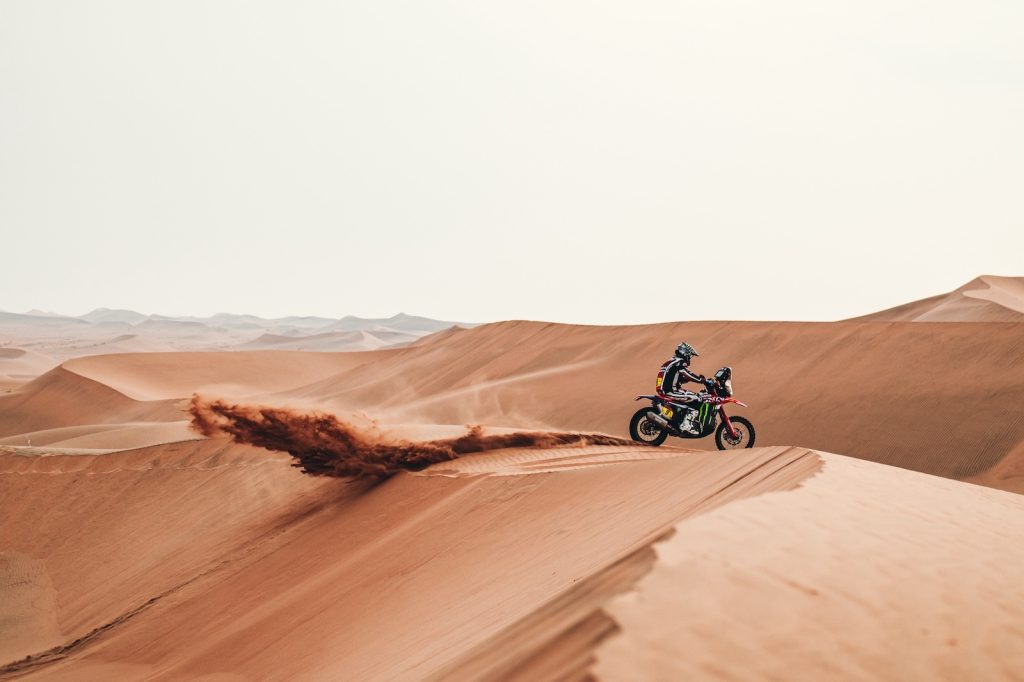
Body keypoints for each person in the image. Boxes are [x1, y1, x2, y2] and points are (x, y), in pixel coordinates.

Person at [656, 341, 710, 435]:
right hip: (671, 391)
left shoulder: (672, 361)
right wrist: (701, 380)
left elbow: (674, 378)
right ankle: (686, 425)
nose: (690, 358)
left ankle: (679, 419)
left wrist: (686, 379)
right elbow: (688, 374)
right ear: (685, 353)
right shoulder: (680, 362)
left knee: (693, 395)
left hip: (665, 389)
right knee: (698, 399)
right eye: (690, 355)